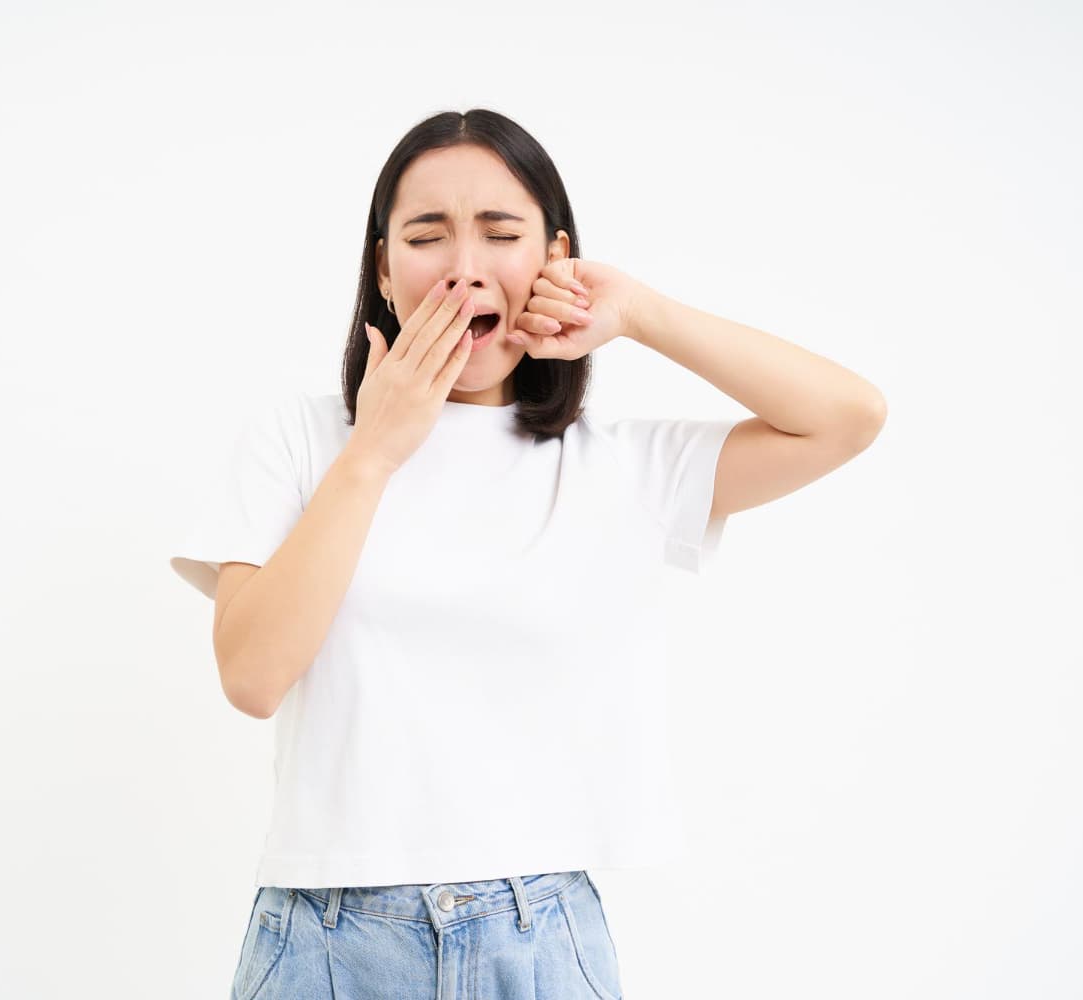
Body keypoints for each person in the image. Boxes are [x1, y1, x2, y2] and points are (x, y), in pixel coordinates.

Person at [171, 108, 886, 1000]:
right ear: (384, 269)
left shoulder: (619, 465)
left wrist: (640, 312)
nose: (464, 266)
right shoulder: (303, 441)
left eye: (500, 234)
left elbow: (848, 417)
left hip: (539, 937)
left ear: (553, 259)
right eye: (426, 235)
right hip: (326, 940)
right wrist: (377, 450)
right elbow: (252, 675)